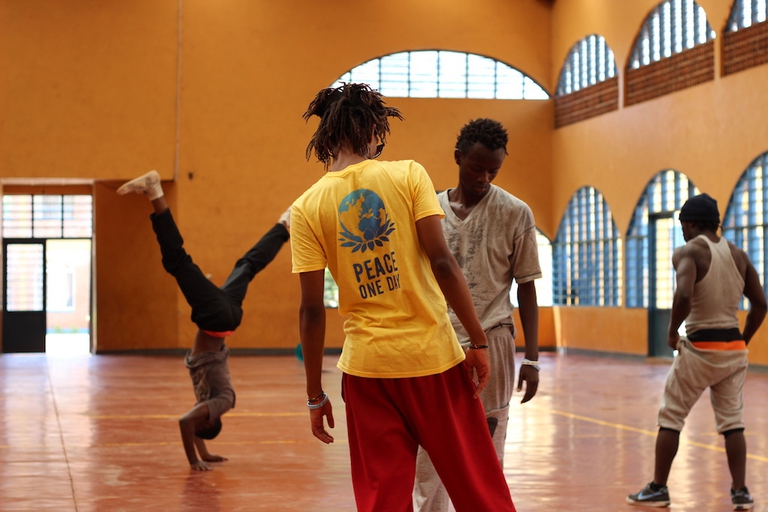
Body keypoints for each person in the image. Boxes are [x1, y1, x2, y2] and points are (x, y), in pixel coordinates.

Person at [290, 83, 516, 512]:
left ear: (327, 134)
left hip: (366, 369)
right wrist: (479, 341)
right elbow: (443, 262)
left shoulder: (306, 207)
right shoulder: (408, 173)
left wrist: (314, 395)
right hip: (433, 359)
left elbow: (311, 310)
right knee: (479, 488)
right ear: (373, 128)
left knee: (382, 500)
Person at [117, 170, 291, 471]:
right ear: (209, 417)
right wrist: (195, 460)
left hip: (227, 318)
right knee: (177, 261)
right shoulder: (223, 401)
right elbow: (186, 423)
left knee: (247, 265)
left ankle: (285, 224)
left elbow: (196, 426)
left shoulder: (210, 401)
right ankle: (155, 191)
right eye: (202, 416)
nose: (196, 411)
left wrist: (207, 453)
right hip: (216, 317)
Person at [413, 118, 541, 511]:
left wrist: (532, 358)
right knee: (431, 447)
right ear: (458, 158)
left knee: (487, 445)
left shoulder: (516, 213)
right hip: (436, 340)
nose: (484, 177)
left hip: (493, 337)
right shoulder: (427, 209)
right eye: (476, 168)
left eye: (493, 171)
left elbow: (527, 286)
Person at [627, 193, 766, 510]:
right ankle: (741, 492)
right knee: (733, 422)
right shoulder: (739, 256)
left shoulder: (688, 252)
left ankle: (659, 488)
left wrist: (672, 329)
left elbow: (684, 293)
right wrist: (743, 339)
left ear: (689, 223)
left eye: (682, 225)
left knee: (671, 416)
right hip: (732, 350)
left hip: (700, 348)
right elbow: (761, 304)